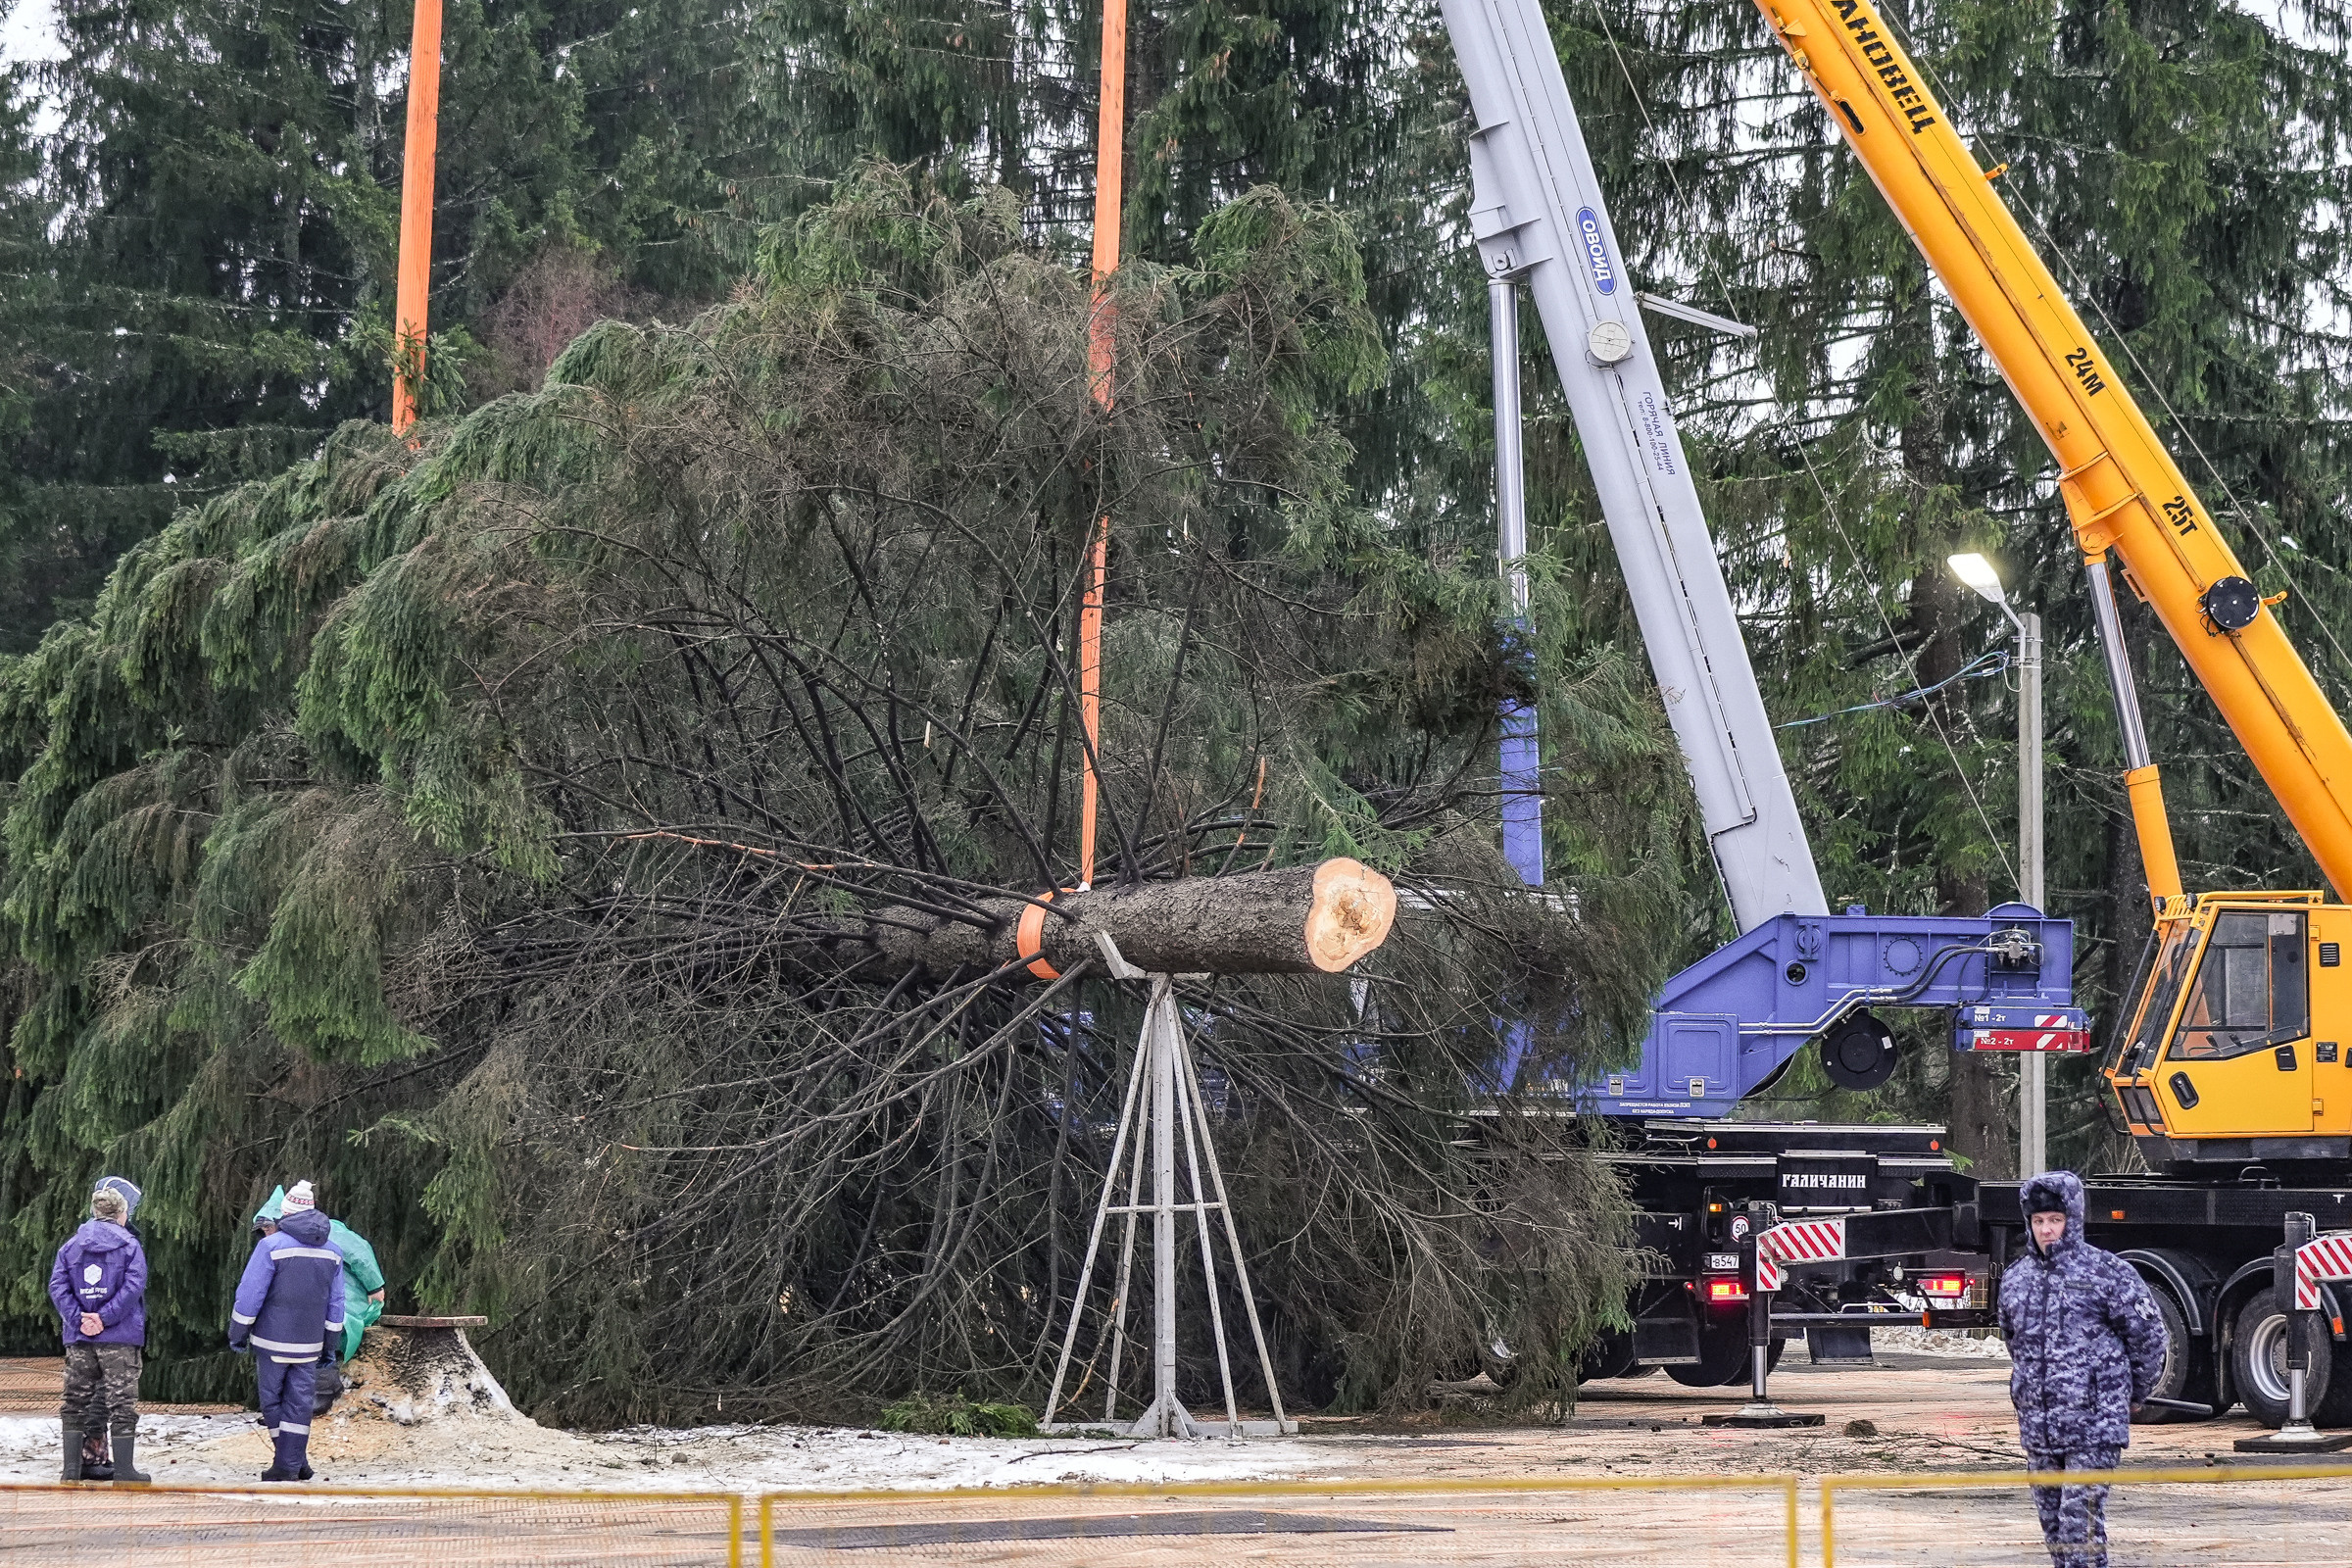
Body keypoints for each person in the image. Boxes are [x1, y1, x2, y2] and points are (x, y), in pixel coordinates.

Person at [1999, 1170, 2168, 1568]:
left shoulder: (2107, 1273)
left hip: (2093, 1422)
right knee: (2054, 1529)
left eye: (2055, 1220)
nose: (2047, 1230)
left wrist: (2133, 1394)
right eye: (2038, 1221)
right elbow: (2014, 1343)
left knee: (2081, 1528)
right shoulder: (2015, 1279)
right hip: (2039, 1427)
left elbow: (2149, 1337)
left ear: (2072, 1219)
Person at [230, 1179, 346, 1482]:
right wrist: (329, 1344)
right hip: (310, 1345)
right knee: (300, 1402)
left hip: (272, 1341)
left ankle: (285, 1463)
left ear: (286, 1214)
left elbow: (249, 1294)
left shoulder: (270, 1246)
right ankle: (296, 1460)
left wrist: (238, 1332)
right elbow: (336, 1303)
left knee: (273, 1400)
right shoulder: (333, 1252)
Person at [49, 1177, 151, 1485]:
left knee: (75, 1401)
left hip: (80, 1338)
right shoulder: (130, 1245)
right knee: (121, 1402)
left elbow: (58, 1286)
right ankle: (124, 1471)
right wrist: (104, 1318)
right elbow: (133, 1287)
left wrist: (80, 1318)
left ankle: (71, 1471)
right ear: (123, 1213)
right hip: (119, 1338)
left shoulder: (70, 1246)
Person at [253, 1185, 385, 1414]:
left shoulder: (328, 1231)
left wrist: (375, 1286)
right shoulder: (287, 1244)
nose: (267, 1234)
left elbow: (359, 1253)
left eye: (268, 1227)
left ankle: (321, 1395)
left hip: (345, 1302)